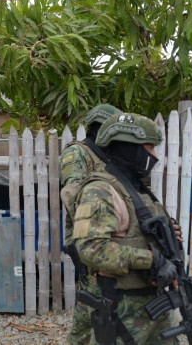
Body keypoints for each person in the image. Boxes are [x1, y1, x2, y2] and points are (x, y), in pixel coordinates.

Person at [62, 113, 179, 344]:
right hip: (122, 308)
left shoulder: (138, 191)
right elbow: (92, 249)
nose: (154, 156)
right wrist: (151, 260)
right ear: (129, 148)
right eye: (149, 147)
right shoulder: (100, 190)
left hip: (152, 302)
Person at [60, 104, 122, 344]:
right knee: (93, 305)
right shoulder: (78, 153)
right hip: (86, 239)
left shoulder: (104, 155)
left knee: (99, 304)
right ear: (101, 130)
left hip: (104, 239)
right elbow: (72, 197)